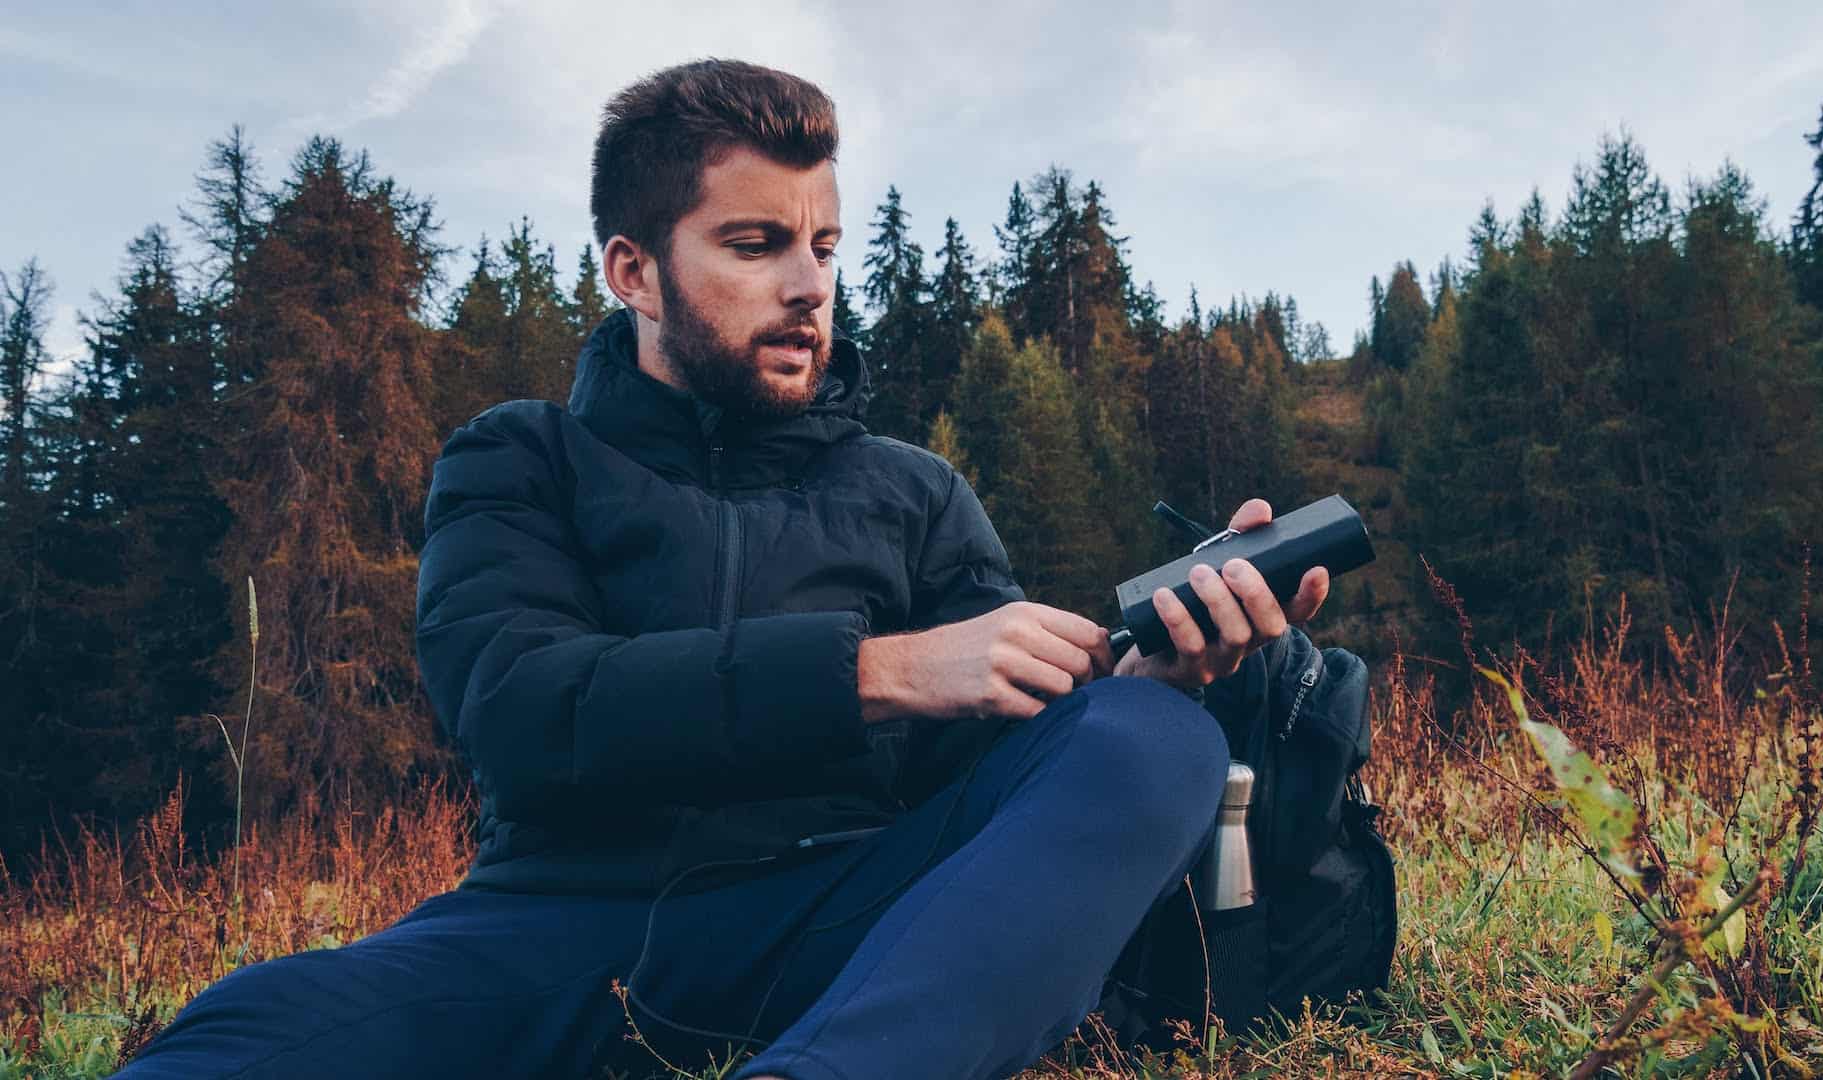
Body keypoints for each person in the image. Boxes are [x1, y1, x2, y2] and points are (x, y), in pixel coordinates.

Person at [114, 58, 1328, 1080]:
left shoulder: (915, 492)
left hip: (845, 924)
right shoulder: (518, 459)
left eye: (824, 247)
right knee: (246, 1032)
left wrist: (1153, 678)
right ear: (632, 270)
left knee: (1145, 739)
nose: (809, 287)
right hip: (552, 931)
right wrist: (876, 672)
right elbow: (526, 708)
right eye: (756, 245)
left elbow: (992, 777)